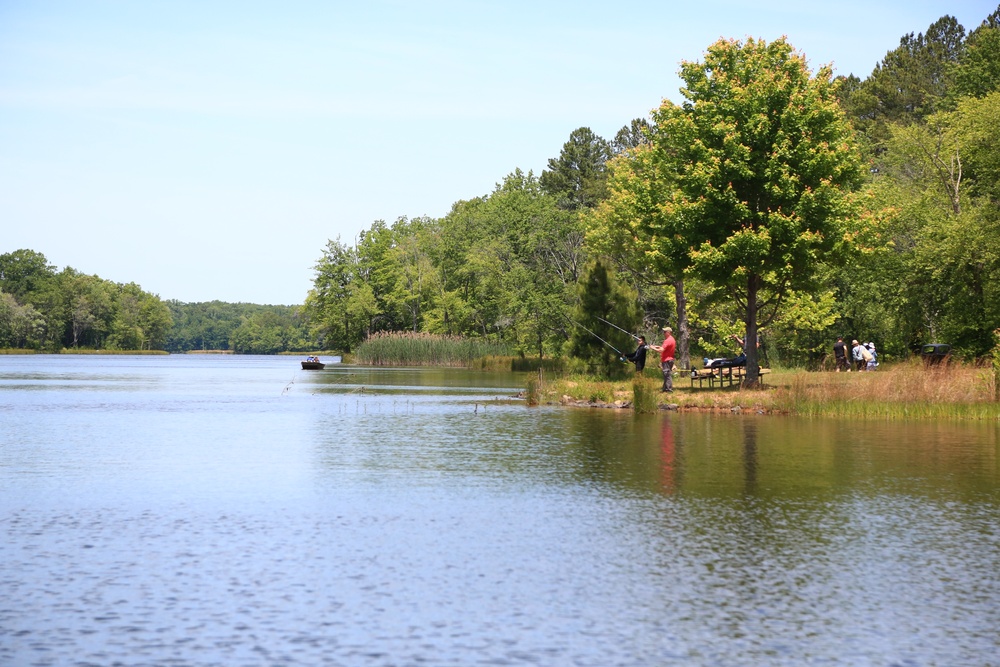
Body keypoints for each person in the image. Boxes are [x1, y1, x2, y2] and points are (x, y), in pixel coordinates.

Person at [650, 326, 676, 393]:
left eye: (665, 332)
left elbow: (661, 350)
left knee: (667, 374)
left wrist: (653, 348)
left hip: (667, 360)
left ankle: (669, 389)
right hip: (670, 359)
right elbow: (665, 348)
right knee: (666, 374)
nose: (663, 333)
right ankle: (665, 388)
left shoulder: (667, 341)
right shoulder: (672, 339)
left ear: (668, 332)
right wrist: (657, 346)